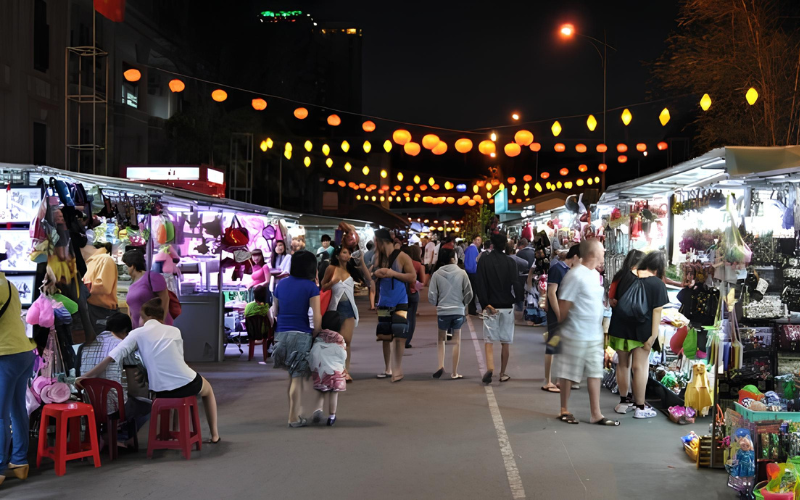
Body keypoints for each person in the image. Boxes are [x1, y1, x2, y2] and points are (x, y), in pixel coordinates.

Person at [78, 298, 221, 443]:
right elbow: (178, 360)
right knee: (207, 390)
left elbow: (112, 356)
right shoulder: (175, 331)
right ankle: (214, 435)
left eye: (140, 316)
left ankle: (171, 435)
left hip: (160, 392)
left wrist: (86, 376)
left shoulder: (137, 333)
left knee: (173, 393)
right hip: (186, 384)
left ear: (145, 316)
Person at [554, 239, 619, 426]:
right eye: (602, 251)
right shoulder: (575, 275)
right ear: (592, 254)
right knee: (568, 373)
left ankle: (596, 413)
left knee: (595, 372)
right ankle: (564, 409)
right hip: (575, 333)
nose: (604, 253)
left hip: (593, 334)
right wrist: (562, 329)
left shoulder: (592, 275)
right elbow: (564, 304)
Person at [608, 251, 669, 419]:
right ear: (658, 269)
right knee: (640, 366)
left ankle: (623, 402)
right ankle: (640, 407)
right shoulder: (657, 284)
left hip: (619, 327)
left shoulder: (624, 276)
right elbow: (657, 312)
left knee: (622, 364)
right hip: (641, 330)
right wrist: (652, 337)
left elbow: (615, 301)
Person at [78, 312, 150, 441]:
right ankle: (117, 437)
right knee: (147, 406)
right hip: (113, 409)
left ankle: (104, 434)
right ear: (125, 331)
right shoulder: (123, 345)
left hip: (87, 404)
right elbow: (133, 386)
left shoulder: (86, 344)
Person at [271, 250, 322, 427]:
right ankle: (293, 417)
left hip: (281, 336)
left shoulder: (281, 284)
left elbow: (274, 312)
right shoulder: (311, 287)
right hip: (300, 335)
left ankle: (297, 412)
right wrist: (316, 334)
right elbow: (317, 318)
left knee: (293, 377)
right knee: (297, 378)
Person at [0, 261, 36, 485]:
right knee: (16, 409)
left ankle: (1, 466)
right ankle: (19, 461)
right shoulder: (9, 284)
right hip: (23, 352)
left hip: (6, 354)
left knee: (0, 414)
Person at [475, 232, 523, 384]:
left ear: (492, 244)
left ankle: (490, 367)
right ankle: (503, 373)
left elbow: (480, 283)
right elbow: (516, 284)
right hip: (507, 305)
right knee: (505, 341)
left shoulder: (484, 261)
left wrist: (484, 304)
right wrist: (518, 301)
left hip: (491, 305)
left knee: (489, 340)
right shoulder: (511, 262)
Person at [373, 229, 416, 382]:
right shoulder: (377, 258)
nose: (374, 244)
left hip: (400, 301)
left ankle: (397, 368)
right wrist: (376, 274)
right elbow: (372, 277)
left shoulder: (403, 257)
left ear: (382, 241)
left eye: (375, 241)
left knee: (399, 334)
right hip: (384, 302)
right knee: (385, 336)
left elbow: (412, 277)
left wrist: (393, 274)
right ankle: (388, 368)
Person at [429, 248, 473, 379]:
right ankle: (454, 372)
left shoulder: (437, 274)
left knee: (441, 339)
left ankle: (440, 366)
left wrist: (437, 303)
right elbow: (469, 293)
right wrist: (463, 303)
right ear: (453, 258)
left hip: (443, 311)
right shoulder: (462, 273)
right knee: (456, 341)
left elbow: (432, 294)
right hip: (458, 311)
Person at [542, 246, 581, 393]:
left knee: (560, 347)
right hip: (556, 314)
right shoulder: (557, 268)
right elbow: (552, 293)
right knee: (552, 346)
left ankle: (558, 379)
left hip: (564, 313)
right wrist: (559, 315)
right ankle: (548, 380)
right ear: (576, 256)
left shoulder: (568, 270)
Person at [320, 246, 361, 382]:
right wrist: (333, 282)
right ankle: (336, 370)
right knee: (337, 341)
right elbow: (323, 286)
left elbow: (365, 279)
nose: (347, 255)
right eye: (344, 252)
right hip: (335, 308)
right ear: (337, 255)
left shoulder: (350, 269)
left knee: (347, 341)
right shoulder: (331, 268)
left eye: (348, 252)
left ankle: (346, 370)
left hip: (349, 307)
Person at [309, 311, 348, 426]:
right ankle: (332, 416)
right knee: (333, 392)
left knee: (322, 391)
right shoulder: (339, 338)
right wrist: (343, 368)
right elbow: (342, 355)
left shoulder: (319, 336)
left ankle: (318, 410)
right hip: (334, 370)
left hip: (320, 369)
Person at [122, 249, 172, 328]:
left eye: (126, 265)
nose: (124, 268)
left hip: (156, 328)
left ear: (132, 266)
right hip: (139, 329)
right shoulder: (133, 283)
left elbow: (165, 300)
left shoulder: (152, 277)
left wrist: (160, 323)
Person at [83, 241, 119, 333]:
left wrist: (81, 287)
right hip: (93, 309)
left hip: (102, 311)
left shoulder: (105, 259)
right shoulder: (90, 262)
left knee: (103, 343)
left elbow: (105, 287)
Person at [402, 245, 426, 349]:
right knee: (411, 318)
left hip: (402, 293)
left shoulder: (401, 264)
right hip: (413, 293)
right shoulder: (418, 265)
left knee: (402, 316)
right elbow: (423, 281)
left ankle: (400, 337)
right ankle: (407, 341)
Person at [464, 236, 481, 315]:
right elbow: (473, 263)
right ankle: (472, 310)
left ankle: (471, 309)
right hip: (473, 273)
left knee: (471, 291)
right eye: (477, 240)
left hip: (468, 272)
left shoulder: (468, 249)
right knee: (473, 291)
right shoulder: (473, 249)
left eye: (480, 241)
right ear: (473, 240)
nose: (478, 242)